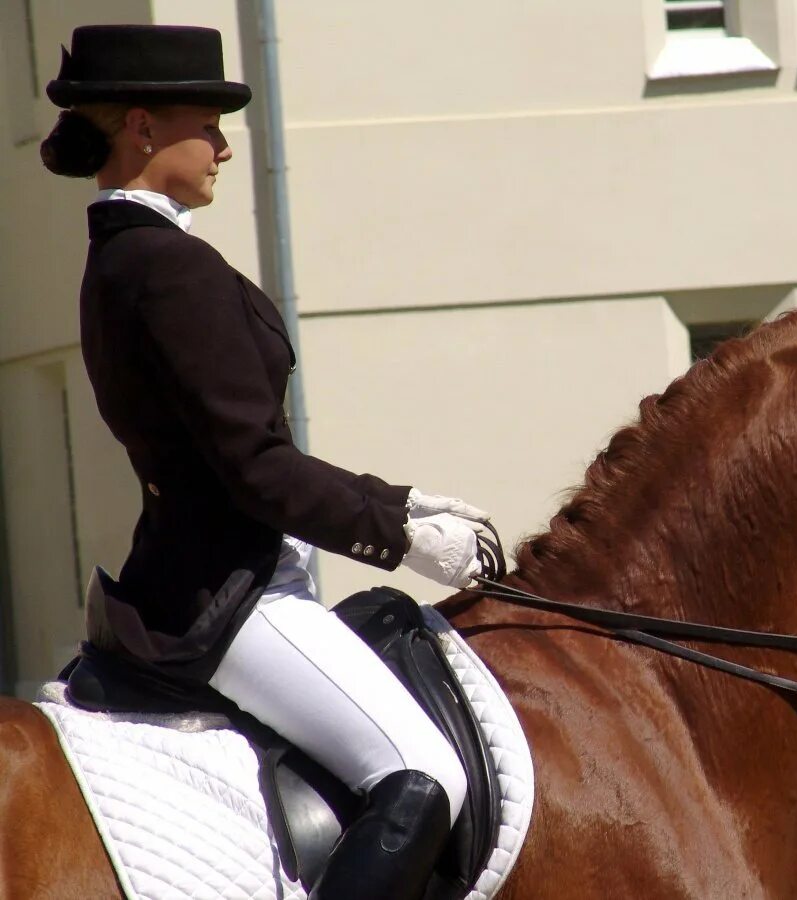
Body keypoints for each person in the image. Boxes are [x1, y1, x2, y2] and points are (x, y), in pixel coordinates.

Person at [42, 24, 483, 900]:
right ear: (140, 127)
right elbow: (255, 467)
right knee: (425, 776)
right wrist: (401, 538)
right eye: (207, 123)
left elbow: (240, 451)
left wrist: (403, 498)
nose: (223, 147)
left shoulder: (117, 259)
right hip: (232, 596)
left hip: (194, 570)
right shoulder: (169, 268)